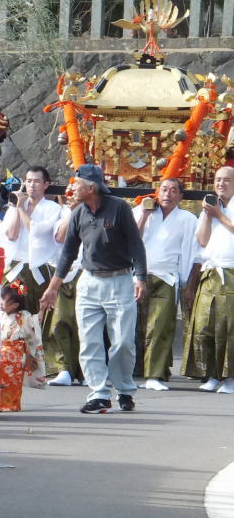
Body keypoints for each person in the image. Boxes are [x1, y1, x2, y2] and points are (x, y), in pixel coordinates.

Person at [39, 165, 147, 414]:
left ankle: (124, 389)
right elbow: (67, 254)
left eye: (76, 184)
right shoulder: (78, 213)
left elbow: (135, 244)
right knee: (89, 341)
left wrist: (140, 277)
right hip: (88, 281)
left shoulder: (118, 208)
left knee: (122, 342)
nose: (71, 188)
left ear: (90, 187)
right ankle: (98, 392)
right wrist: (53, 288)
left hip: (120, 280)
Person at [133, 179, 198, 391]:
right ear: (157, 192)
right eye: (164, 189)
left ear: (180, 196)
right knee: (135, 327)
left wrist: (187, 284)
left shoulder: (187, 219)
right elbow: (132, 240)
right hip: (139, 275)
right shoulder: (143, 211)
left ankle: (156, 374)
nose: (168, 194)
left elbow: (189, 252)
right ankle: (137, 370)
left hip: (167, 277)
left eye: (173, 191)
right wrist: (144, 215)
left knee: (159, 326)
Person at [183, 166, 234, 393]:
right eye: (217, 180)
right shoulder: (211, 207)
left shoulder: (223, 210)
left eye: (226, 180)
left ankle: (230, 377)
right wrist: (207, 213)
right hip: (210, 272)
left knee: (229, 328)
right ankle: (212, 374)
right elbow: (202, 241)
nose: (221, 184)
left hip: (230, 273)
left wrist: (218, 215)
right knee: (206, 326)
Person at [0, 166, 62, 314]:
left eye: (37, 181)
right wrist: (17, 207)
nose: (32, 185)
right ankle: (11, 337)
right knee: (11, 309)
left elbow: (36, 232)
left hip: (37, 268)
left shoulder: (52, 208)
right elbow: (12, 235)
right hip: (16, 269)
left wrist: (21, 210)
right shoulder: (17, 205)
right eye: (28, 181)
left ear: (46, 184)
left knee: (33, 313)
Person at [46, 195, 85, 386]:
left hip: (89, 270)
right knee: (60, 321)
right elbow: (61, 237)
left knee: (85, 324)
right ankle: (64, 368)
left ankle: (85, 371)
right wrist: (73, 211)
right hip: (64, 270)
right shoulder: (60, 213)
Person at [0, 283, 46, 411]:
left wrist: (42, 310)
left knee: (12, 380)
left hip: (16, 353)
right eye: (0, 299)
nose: (0, 303)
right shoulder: (0, 314)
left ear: (15, 305)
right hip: (0, 349)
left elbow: (35, 323)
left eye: (4, 300)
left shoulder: (23, 316)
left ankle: (11, 404)